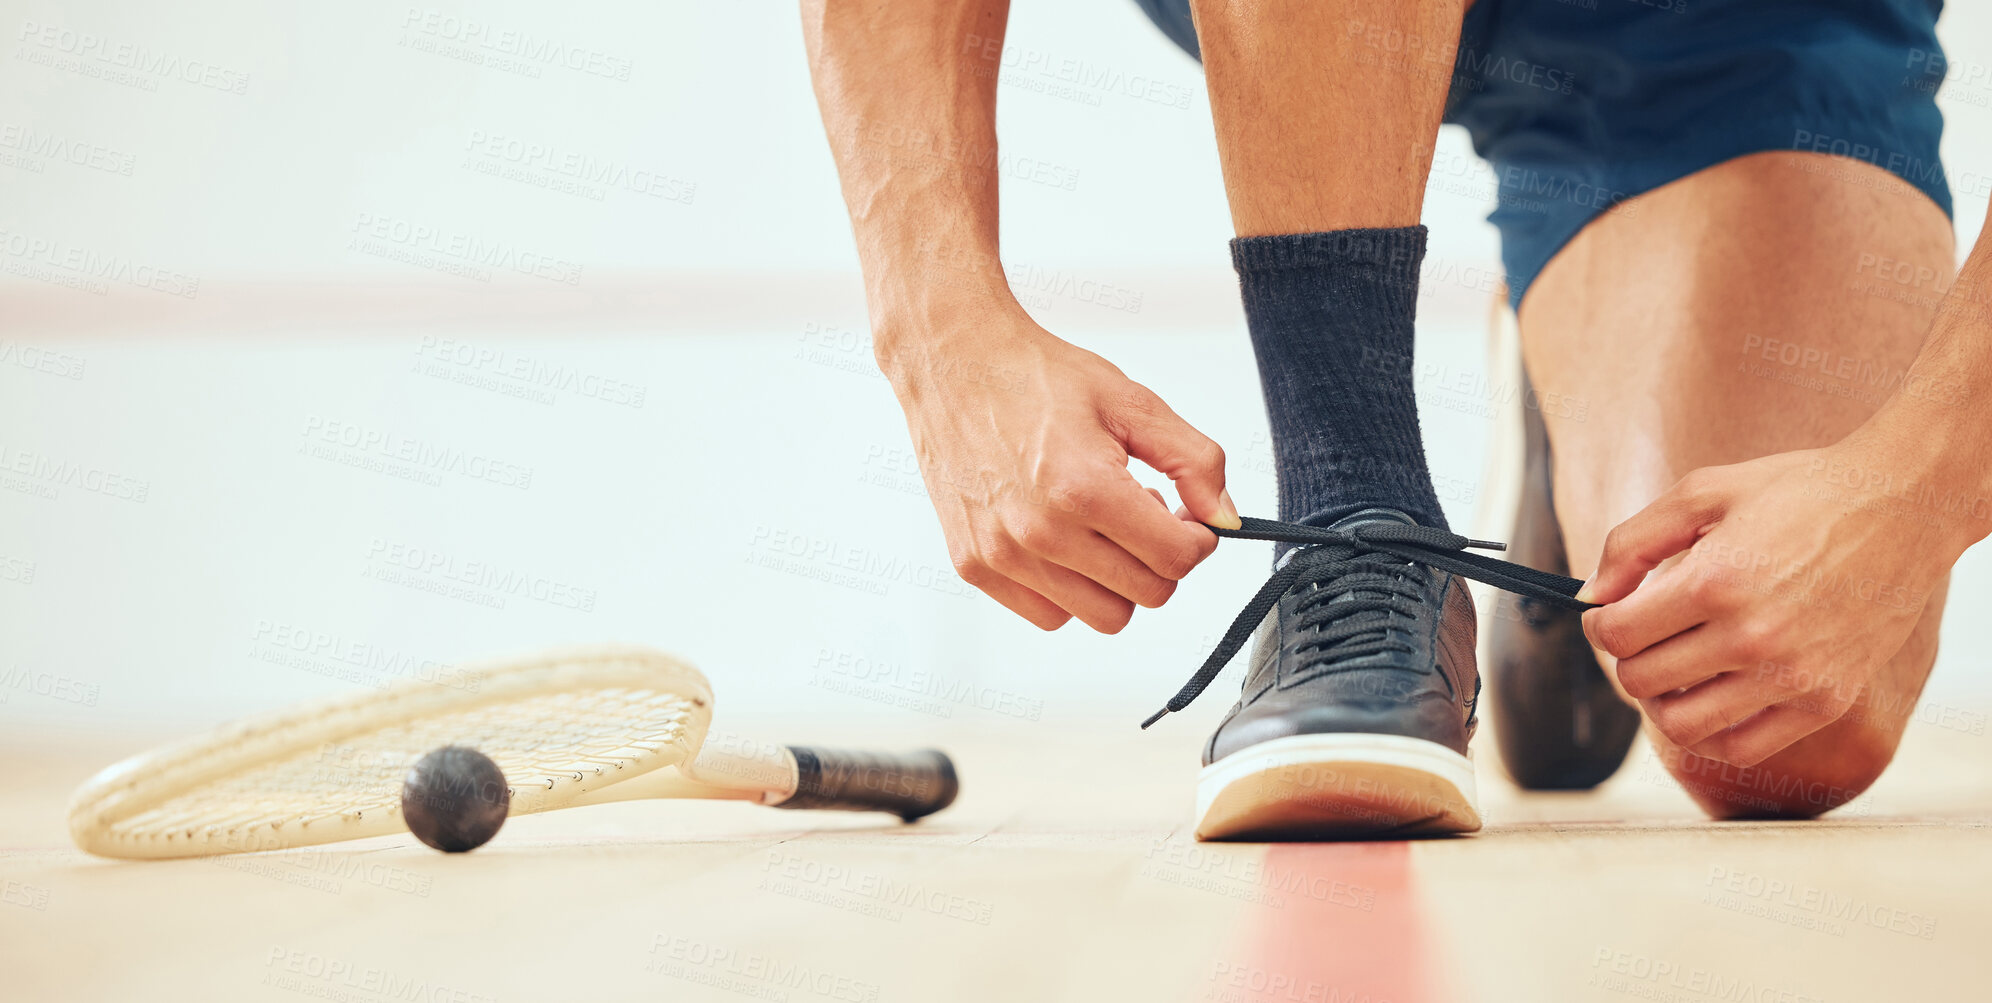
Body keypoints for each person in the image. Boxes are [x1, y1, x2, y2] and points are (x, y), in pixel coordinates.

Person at [799, 0, 1991, 838]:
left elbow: (1901, 507)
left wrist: (1915, 488)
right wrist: (942, 328)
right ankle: (1351, 504)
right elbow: (938, 318)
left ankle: (1561, 363)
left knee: (1777, 738)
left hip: (1710, 28)